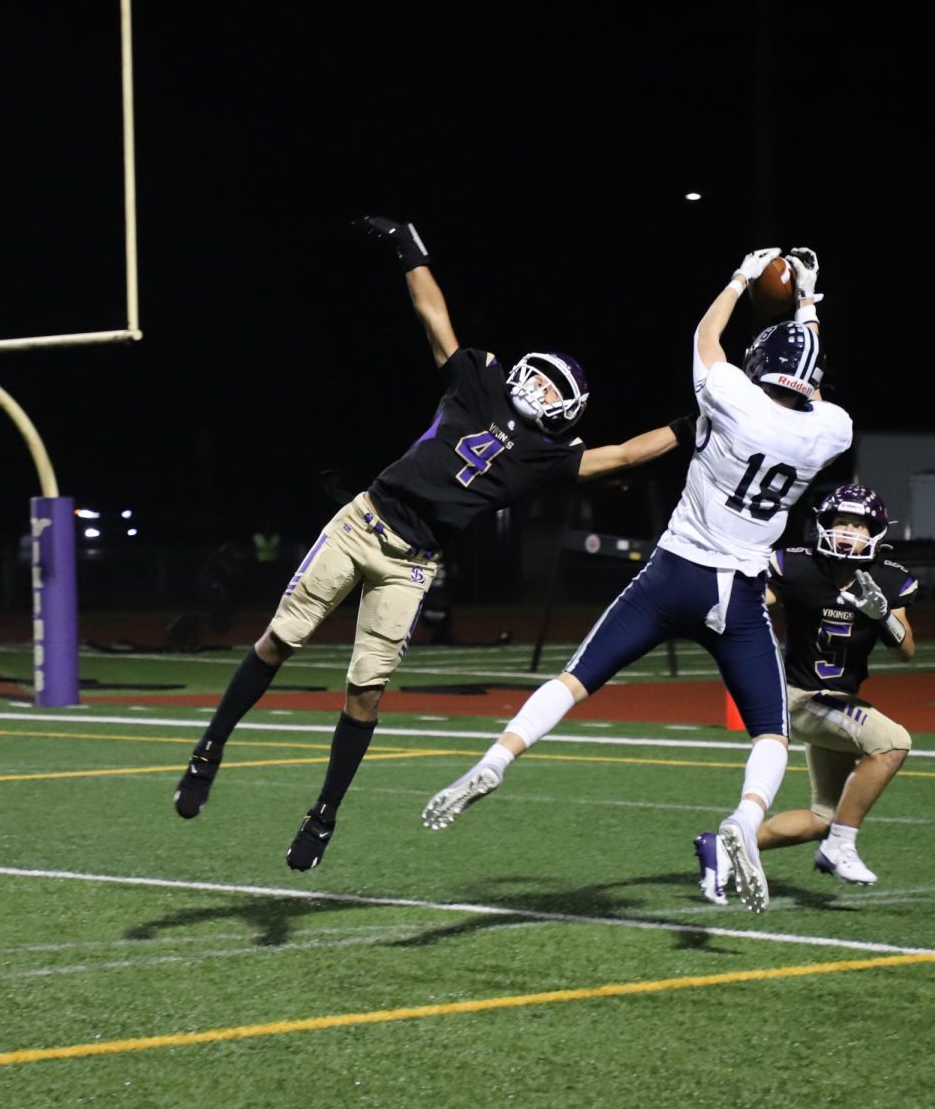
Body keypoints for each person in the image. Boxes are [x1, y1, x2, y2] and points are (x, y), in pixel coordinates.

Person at [173, 215, 688, 871]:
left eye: (557, 390)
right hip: (363, 520)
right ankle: (209, 750)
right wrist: (408, 246)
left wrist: (690, 424)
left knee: (365, 692)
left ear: (567, 409)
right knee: (279, 639)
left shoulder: (544, 455)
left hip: (411, 566)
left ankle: (324, 812)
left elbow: (618, 456)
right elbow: (433, 316)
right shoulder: (478, 380)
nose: (541, 388)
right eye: (543, 376)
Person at [422, 245, 854, 914]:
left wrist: (741, 277)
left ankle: (499, 757)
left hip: (673, 573)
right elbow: (812, 384)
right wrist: (807, 305)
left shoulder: (731, 395)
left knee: (573, 680)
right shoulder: (830, 431)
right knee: (770, 734)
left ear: (760, 365)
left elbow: (706, 337)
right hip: (736, 596)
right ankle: (744, 818)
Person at [694, 483, 916, 902]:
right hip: (800, 696)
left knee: (823, 816)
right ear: (825, 526)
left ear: (875, 533)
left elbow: (906, 650)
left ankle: (723, 850)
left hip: (839, 703)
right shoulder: (798, 567)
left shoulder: (888, 580)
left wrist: (883, 615)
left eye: (858, 525)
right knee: (892, 743)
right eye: (841, 523)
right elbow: (750, 603)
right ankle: (840, 846)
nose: (848, 532)